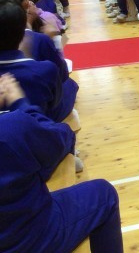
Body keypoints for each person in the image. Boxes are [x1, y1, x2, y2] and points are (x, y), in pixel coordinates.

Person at [0, 73, 124, 253]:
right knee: (105, 194)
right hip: (30, 238)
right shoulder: (11, 127)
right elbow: (61, 137)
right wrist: (21, 104)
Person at [0, 0, 63, 122]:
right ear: (23, 32)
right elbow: (55, 102)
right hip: (37, 125)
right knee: (69, 87)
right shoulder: (45, 69)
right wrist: (54, 42)